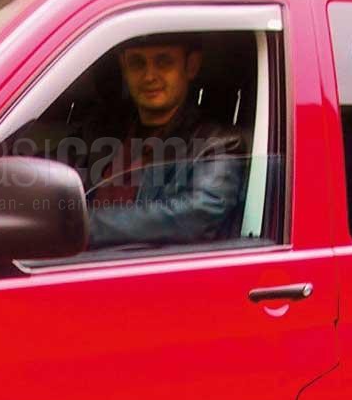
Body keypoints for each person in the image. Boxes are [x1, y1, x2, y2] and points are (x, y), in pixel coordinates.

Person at [83, 33, 246, 249]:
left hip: (139, 266)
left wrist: (81, 226)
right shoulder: (101, 131)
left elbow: (196, 215)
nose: (149, 76)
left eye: (164, 62)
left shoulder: (217, 143)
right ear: (123, 66)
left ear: (191, 66)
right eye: (137, 63)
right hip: (70, 261)